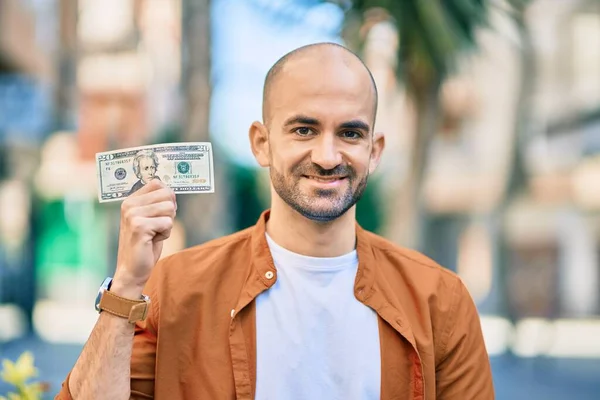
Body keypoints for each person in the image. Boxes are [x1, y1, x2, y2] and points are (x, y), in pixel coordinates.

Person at [57, 43, 494, 400]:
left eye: (350, 133)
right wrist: (128, 286)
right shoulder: (178, 288)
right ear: (262, 144)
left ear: (374, 151)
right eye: (304, 130)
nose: (327, 156)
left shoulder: (440, 301)